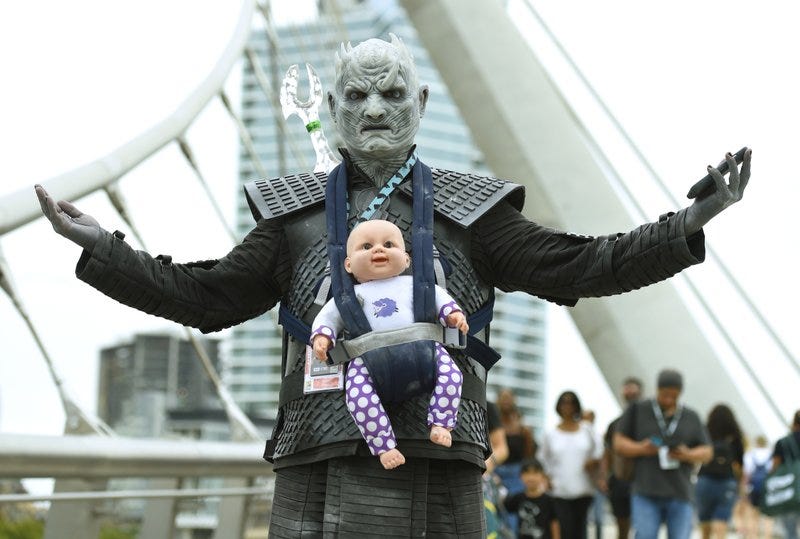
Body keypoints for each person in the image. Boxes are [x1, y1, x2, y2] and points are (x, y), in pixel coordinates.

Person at [34, 32, 752, 536]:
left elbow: (583, 263)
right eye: (356, 95)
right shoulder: (296, 216)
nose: (374, 109)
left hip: (440, 455)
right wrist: (106, 248)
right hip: (317, 451)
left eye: (391, 92)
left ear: (423, 101)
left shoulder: (476, 212)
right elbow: (204, 295)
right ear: (336, 109)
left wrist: (690, 220)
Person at [310, 219, 469, 469]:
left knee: (452, 377)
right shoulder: (349, 296)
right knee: (358, 398)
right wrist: (322, 337)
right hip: (368, 359)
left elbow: (441, 299)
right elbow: (328, 318)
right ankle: (384, 445)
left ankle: (441, 422)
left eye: (388, 244)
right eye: (366, 246)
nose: (379, 250)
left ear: (406, 259)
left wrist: (453, 315)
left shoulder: (414, 285)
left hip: (423, 348)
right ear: (348, 264)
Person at [613, 369, 713, 539]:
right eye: (664, 394)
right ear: (657, 389)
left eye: (673, 396)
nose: (668, 400)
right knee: (645, 535)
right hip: (645, 489)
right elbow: (618, 442)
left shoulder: (691, 416)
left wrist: (687, 454)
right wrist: (641, 448)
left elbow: (707, 451)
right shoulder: (638, 409)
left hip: (681, 491)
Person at [538, 391, 602, 539]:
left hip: (584, 489)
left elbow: (600, 450)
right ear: (558, 406)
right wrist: (546, 478)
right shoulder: (550, 434)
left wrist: (593, 462)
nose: (568, 406)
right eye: (564, 402)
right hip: (560, 490)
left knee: (580, 531)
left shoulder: (587, 429)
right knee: (565, 530)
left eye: (571, 402)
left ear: (577, 406)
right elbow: (542, 458)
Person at [695, 403, 745, 539]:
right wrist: (739, 484)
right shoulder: (735, 436)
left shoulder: (705, 432)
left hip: (705, 479)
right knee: (721, 519)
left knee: (705, 519)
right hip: (727, 481)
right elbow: (739, 464)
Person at [602, 376, 643, 539]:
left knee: (643, 524)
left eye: (633, 388)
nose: (630, 392)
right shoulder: (614, 424)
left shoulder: (647, 423)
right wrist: (604, 476)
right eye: (627, 388)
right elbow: (607, 453)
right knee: (622, 525)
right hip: (619, 480)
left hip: (642, 479)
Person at [496, 388, 539, 535]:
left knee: (514, 514)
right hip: (496, 472)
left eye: (509, 397)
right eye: (503, 397)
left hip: (516, 474)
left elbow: (529, 456)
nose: (506, 401)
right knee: (495, 511)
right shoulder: (494, 425)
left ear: (514, 400)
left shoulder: (523, 430)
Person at [503, 459, 560, 539]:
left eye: (535, 473)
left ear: (543, 476)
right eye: (527, 473)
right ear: (520, 476)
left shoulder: (549, 500)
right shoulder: (517, 498)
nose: (531, 477)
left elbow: (554, 523)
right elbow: (502, 510)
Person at [771, 411, 800, 539]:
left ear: (794, 423)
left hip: (789, 489)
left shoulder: (782, 442)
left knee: (790, 530)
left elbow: (775, 466)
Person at [741, 435, 774, 538]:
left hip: (754, 487)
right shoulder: (771, 454)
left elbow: (747, 473)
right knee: (768, 515)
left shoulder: (750, 454)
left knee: (753, 514)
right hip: (768, 487)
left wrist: (743, 488)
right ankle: (767, 536)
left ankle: (753, 536)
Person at [582, 409, 607, 539]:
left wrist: (602, 479)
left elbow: (602, 459)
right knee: (583, 518)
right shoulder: (578, 437)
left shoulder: (598, 437)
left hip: (596, 483)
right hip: (582, 483)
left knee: (599, 518)